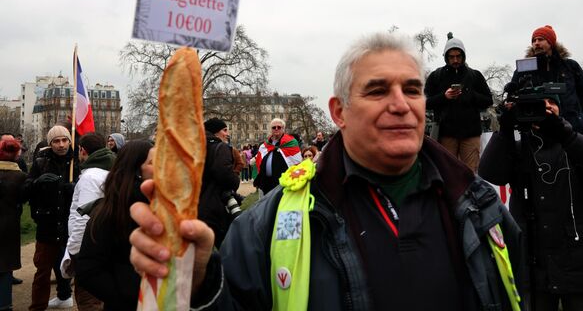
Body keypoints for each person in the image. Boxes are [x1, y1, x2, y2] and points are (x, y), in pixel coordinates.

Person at [130, 33, 523, 310]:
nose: (401, 104)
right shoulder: (266, 226)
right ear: (339, 112)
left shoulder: (481, 205)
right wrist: (202, 284)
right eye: (377, 90)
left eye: (413, 89)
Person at [479, 95, 583, 311]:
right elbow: (489, 172)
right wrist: (505, 129)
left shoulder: (575, 144)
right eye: (538, 105)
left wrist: (565, 133)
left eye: (550, 104)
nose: (544, 108)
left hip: (579, 260)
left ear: (560, 110)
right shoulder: (517, 149)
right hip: (534, 263)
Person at [75, 141, 154, 311]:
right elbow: (88, 270)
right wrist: (129, 297)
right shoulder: (109, 213)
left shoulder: (165, 208)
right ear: (135, 170)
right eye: (153, 163)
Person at [424, 32, 493, 172]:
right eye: (451, 57)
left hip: (471, 134)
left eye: (458, 56)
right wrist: (444, 97)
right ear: (446, 57)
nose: (455, 60)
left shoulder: (475, 75)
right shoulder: (436, 76)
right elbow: (424, 102)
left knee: (471, 173)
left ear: (463, 56)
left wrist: (470, 95)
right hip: (446, 134)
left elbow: (488, 100)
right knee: (448, 173)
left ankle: (469, 195)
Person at [26, 125, 78, 310]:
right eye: (56, 141)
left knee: (65, 266)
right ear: (50, 143)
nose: (61, 145)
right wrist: (38, 183)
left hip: (68, 224)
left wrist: (74, 188)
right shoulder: (41, 162)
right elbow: (26, 189)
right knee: (42, 270)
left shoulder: (76, 161)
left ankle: (65, 296)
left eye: (65, 140)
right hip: (46, 225)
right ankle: (37, 306)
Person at [62, 132, 115, 310]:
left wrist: (74, 250)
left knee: (88, 299)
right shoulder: (110, 171)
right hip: (105, 244)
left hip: (89, 247)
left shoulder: (90, 177)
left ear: (82, 151)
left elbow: (82, 217)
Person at [510, 25, 583, 136]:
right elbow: (513, 95)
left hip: (574, 129)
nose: (536, 43)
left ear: (551, 42)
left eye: (541, 39)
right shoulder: (525, 69)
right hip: (539, 130)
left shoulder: (570, 66)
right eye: (534, 40)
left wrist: (578, 117)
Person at [199, 118, 241, 248]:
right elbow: (225, 175)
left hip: (197, 205)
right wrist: (235, 179)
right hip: (215, 206)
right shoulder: (220, 147)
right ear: (216, 132)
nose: (227, 134)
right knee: (227, 247)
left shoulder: (195, 147)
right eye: (224, 130)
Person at [0, 139, 28, 311]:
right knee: (5, 265)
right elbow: (24, 198)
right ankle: (4, 304)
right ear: (17, 155)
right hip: (9, 224)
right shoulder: (21, 177)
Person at [253, 118, 302, 194]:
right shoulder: (265, 146)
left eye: (279, 127)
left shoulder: (291, 143)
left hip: (283, 182)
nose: (276, 129)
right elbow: (259, 162)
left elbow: (297, 162)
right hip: (267, 182)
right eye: (274, 127)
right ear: (271, 129)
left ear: (283, 129)